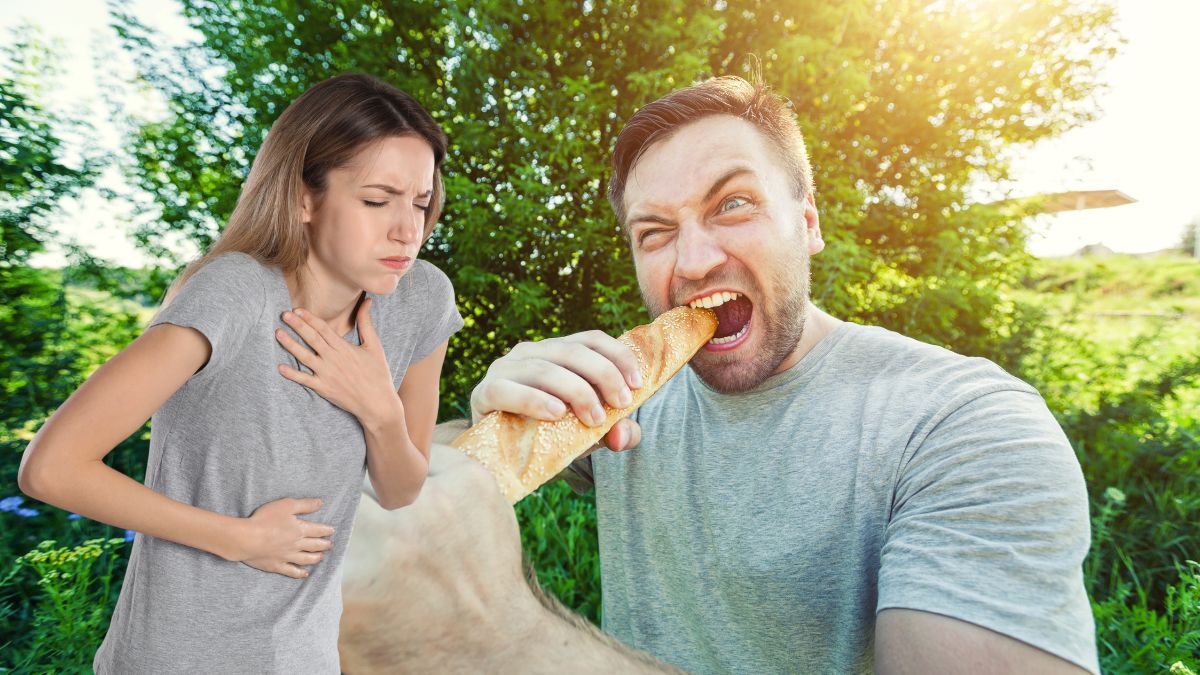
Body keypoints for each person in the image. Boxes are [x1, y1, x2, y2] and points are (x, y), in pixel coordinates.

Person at [343, 75, 1098, 674]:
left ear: (807, 221)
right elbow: (426, 471)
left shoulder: (964, 425)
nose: (694, 259)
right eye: (655, 231)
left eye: (733, 204)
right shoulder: (630, 400)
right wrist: (489, 421)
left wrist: (493, 643)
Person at [17, 73, 464, 673]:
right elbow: (51, 467)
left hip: (302, 658)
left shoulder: (418, 301)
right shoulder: (233, 294)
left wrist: (378, 408)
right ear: (305, 196)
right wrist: (241, 539)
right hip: (175, 658)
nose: (407, 230)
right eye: (377, 200)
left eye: (419, 202)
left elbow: (400, 488)